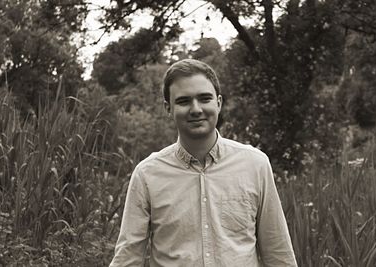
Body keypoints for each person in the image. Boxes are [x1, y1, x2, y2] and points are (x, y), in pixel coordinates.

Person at [110, 59, 297, 266]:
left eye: (204, 98)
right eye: (183, 101)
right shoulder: (147, 175)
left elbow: (278, 254)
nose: (196, 109)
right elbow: (128, 258)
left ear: (218, 102)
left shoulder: (255, 165)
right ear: (168, 108)